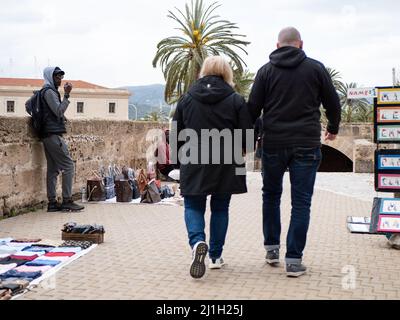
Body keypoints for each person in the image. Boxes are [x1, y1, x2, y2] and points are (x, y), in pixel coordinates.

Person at [248, 27, 341, 277]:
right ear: (300, 43)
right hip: (306, 143)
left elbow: (252, 109)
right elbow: (333, 102)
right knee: (301, 202)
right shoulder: (316, 68)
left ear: (278, 46)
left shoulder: (266, 71)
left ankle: (271, 248)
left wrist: (250, 137)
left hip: (274, 143)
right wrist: (332, 128)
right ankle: (293, 259)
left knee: (271, 195)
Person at [172, 56, 253, 279]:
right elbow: (247, 132)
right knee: (220, 207)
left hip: (193, 157)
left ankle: (198, 241)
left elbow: (176, 132)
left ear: (203, 71)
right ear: (227, 72)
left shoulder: (187, 98)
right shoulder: (235, 99)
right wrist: (243, 150)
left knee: (193, 205)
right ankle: (216, 257)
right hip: (226, 159)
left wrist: (179, 160)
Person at [26, 67, 84, 212]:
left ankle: (52, 203)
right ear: (50, 77)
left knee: (53, 169)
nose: (60, 80)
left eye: (60, 77)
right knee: (69, 165)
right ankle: (67, 200)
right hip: (52, 134)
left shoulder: (43, 91)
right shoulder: (50, 92)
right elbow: (58, 111)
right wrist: (67, 96)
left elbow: (30, 107)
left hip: (46, 134)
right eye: (57, 77)